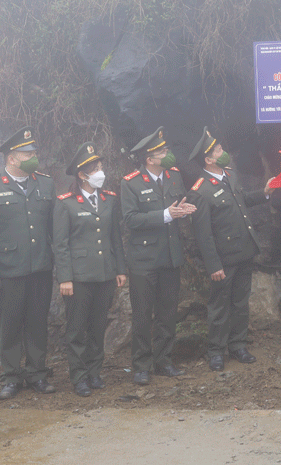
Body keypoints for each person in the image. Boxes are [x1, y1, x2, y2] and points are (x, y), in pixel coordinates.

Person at [0, 127, 57, 400]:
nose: (33, 157)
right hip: (8, 269)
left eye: (34, 153)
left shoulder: (45, 184)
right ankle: (11, 376)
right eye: (27, 154)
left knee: (37, 322)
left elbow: (54, 228)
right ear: (11, 158)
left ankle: (37, 373)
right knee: (9, 324)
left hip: (41, 267)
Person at [186, 127, 274, 372]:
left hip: (244, 251)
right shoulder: (200, 190)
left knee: (240, 303)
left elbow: (242, 199)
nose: (223, 152)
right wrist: (213, 265)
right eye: (218, 150)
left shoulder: (230, 175)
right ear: (208, 159)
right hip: (223, 260)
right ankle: (216, 351)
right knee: (219, 306)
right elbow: (202, 234)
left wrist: (264, 194)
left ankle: (238, 346)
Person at [121, 127, 195, 386]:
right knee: (143, 314)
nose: (168, 154)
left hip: (170, 256)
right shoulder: (130, 182)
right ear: (149, 158)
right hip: (143, 260)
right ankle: (141, 365)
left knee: (168, 312)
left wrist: (184, 210)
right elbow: (130, 220)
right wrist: (165, 215)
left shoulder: (174, 176)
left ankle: (164, 360)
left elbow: (178, 204)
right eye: (162, 152)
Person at [54, 142, 127, 396]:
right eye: (94, 168)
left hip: (105, 273)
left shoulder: (109, 199)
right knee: (76, 329)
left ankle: (95, 372)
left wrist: (120, 269)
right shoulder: (66, 203)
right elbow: (60, 244)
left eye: (100, 166)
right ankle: (79, 376)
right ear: (82, 174)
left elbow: (115, 237)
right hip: (78, 277)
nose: (100, 172)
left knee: (98, 326)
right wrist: (65, 277)